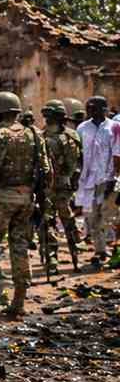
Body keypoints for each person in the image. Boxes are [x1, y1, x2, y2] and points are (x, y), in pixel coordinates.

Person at [0, 91, 50, 318]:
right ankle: (19, 302)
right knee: (20, 250)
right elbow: (46, 171)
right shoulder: (34, 135)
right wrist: (42, 200)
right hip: (27, 199)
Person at [76, 96, 120, 268]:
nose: (90, 111)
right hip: (88, 181)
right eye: (89, 108)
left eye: (94, 107)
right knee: (92, 217)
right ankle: (100, 251)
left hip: (108, 179)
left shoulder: (114, 127)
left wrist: (115, 178)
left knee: (109, 216)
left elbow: (118, 154)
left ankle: (113, 250)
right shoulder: (82, 128)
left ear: (104, 109)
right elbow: (78, 154)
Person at [41, 100, 82, 271]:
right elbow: (79, 164)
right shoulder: (72, 135)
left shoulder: (42, 136)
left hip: (54, 187)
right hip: (60, 187)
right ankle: (69, 257)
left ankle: (54, 260)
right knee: (62, 222)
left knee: (51, 223)